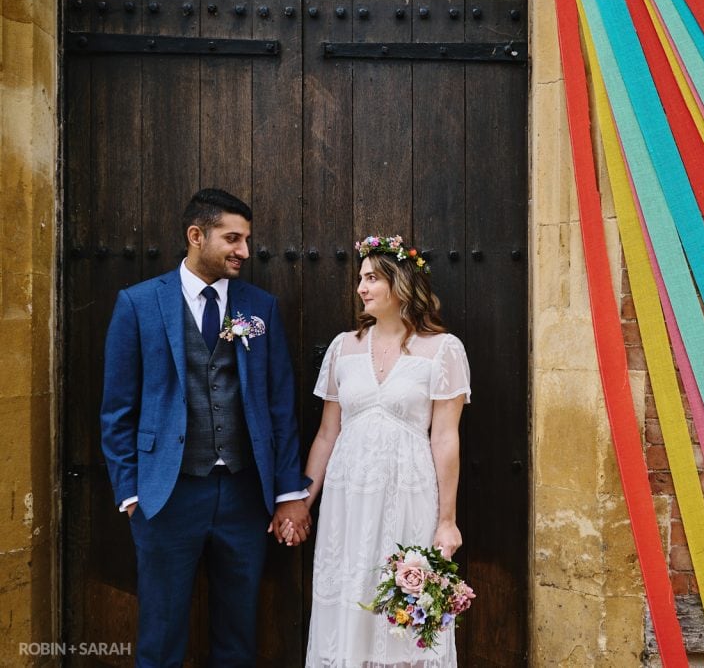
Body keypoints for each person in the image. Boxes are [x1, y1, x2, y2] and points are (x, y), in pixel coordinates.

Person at [99, 188, 312, 667]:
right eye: (232, 238)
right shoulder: (138, 304)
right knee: (161, 636)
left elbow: (280, 407)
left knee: (238, 637)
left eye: (247, 240)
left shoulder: (261, 307)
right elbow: (116, 409)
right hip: (165, 496)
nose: (244, 250)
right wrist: (131, 493)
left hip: (242, 495)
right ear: (196, 236)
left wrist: (286, 492)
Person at [296, 234, 470, 668]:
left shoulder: (443, 350)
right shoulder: (343, 347)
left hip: (408, 496)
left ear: (401, 283)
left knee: (404, 604)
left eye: (372, 278)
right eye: (361, 279)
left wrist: (447, 521)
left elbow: (445, 438)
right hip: (347, 497)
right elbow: (326, 434)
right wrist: (303, 502)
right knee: (349, 595)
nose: (361, 288)